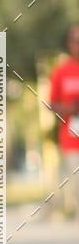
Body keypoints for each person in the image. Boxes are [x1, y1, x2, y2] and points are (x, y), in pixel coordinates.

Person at [49, 24, 79, 218]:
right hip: (71, 140)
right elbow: (52, 103)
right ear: (69, 44)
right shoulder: (61, 71)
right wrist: (71, 109)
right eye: (76, 41)